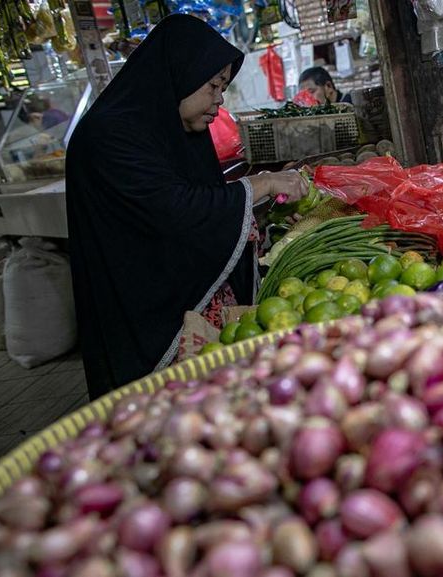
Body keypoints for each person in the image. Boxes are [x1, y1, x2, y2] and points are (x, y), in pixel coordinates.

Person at [66, 14, 307, 400]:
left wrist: (261, 212)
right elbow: (173, 211)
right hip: (148, 319)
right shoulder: (108, 136)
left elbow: (203, 203)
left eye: (223, 87)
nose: (219, 99)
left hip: (197, 312)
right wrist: (260, 184)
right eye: (213, 85)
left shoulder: (171, 130)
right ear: (178, 72)